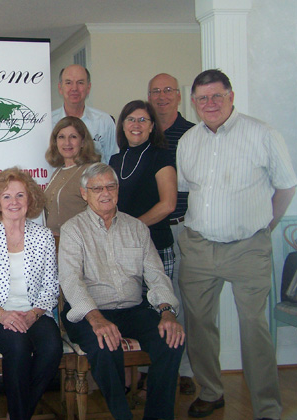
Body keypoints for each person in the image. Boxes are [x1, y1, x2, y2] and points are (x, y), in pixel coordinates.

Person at [177, 69, 297, 420]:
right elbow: (189, 188)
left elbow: (286, 187)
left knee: (254, 327)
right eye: (202, 98)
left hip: (248, 248)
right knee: (199, 325)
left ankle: (267, 408)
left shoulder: (262, 134)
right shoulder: (188, 142)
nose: (210, 104)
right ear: (194, 103)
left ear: (231, 96)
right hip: (198, 246)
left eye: (217, 96)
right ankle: (212, 392)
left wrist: (265, 227)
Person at [58, 162, 184, 420]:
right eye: (97, 188)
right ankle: (122, 414)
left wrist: (168, 311)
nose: (105, 193)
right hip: (88, 312)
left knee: (171, 341)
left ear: (118, 190)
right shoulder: (73, 229)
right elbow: (70, 280)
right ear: (84, 194)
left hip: (132, 309)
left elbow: (156, 274)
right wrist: (96, 318)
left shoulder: (136, 228)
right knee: (105, 346)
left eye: (111, 186)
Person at [0, 167, 63, 420]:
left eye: (20, 195)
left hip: (34, 313)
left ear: (30, 199)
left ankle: (19, 413)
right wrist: (2, 315)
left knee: (52, 347)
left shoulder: (43, 237)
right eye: (6, 196)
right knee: (18, 347)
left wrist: (34, 314)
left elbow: (51, 287)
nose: (14, 202)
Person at [147, 73, 196, 395]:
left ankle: (185, 370)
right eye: (155, 91)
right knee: (149, 303)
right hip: (147, 232)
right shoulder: (145, 134)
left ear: (179, 96)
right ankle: (150, 367)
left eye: (168, 90)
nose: (162, 96)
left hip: (179, 228)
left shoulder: (192, 134)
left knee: (181, 300)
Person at [109, 101, 176, 279]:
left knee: (158, 303)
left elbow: (168, 204)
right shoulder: (115, 160)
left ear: (152, 126)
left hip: (155, 244)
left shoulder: (161, 156)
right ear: (122, 125)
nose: (136, 125)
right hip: (124, 247)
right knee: (129, 303)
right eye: (130, 119)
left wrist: (133, 226)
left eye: (142, 120)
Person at [44, 116, 101, 234]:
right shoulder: (58, 171)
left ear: (83, 142)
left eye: (73, 137)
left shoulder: (91, 172)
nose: (67, 143)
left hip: (78, 243)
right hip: (56, 242)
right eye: (61, 137)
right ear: (55, 142)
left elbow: (100, 214)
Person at [52, 64, 118, 164]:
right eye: (68, 83)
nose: (74, 88)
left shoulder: (104, 121)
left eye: (80, 83)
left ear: (88, 88)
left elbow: (114, 161)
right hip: (59, 179)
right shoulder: (48, 122)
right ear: (60, 88)